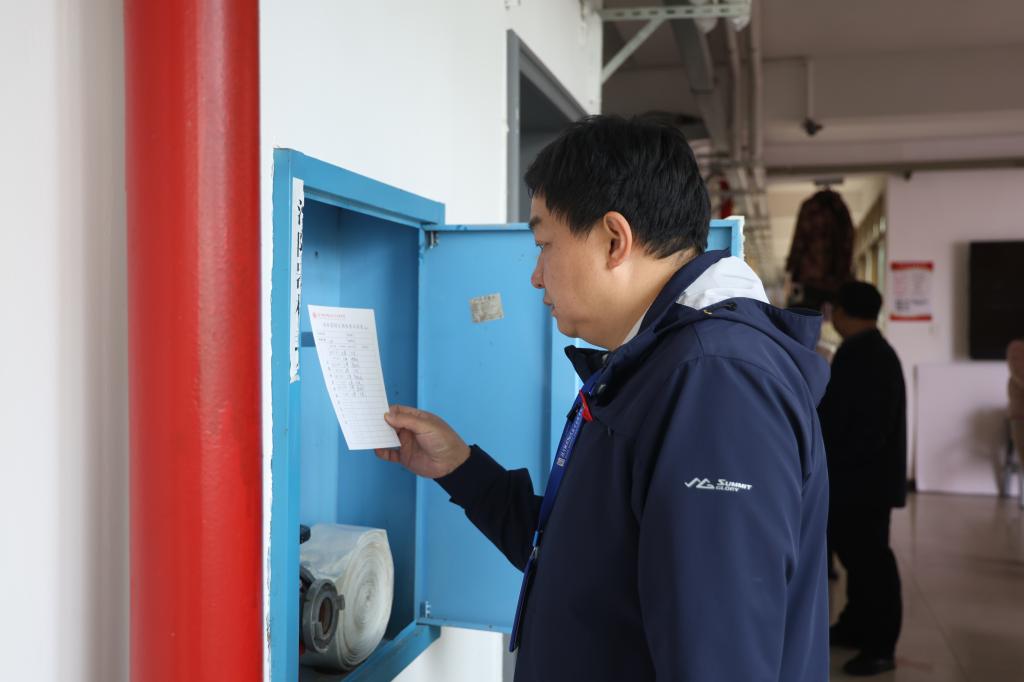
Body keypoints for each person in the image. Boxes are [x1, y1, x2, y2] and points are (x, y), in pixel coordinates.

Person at [376, 116, 831, 681]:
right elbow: (584, 559)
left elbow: (718, 661)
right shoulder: (658, 363)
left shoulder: (717, 384)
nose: (536, 276)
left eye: (544, 245)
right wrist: (461, 468)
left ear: (615, 240)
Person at [818, 281, 907, 676]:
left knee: (871, 563)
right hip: (857, 478)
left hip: (864, 482)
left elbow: (870, 428)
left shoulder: (871, 357)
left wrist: (839, 464)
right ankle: (855, 626)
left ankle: (881, 646)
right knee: (856, 557)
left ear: (842, 312)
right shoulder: (864, 351)